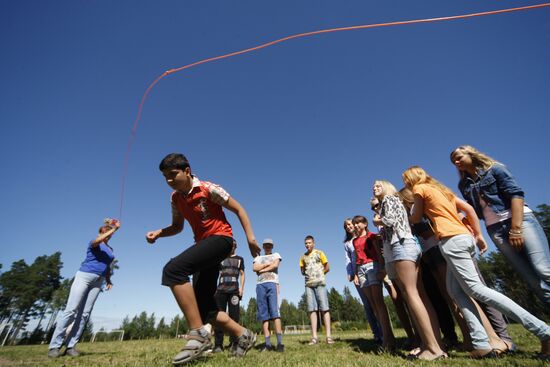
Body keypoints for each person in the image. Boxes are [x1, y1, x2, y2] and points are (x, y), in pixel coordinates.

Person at [402, 165, 550, 358]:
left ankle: (542, 330)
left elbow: (415, 217)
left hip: (451, 240)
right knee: (456, 291)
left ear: (412, 178)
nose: (405, 182)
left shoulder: (419, 189)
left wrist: (407, 214)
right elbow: (469, 209)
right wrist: (478, 235)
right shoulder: (442, 190)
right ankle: (481, 343)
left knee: (476, 289)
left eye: (405, 179)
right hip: (464, 237)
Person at [145, 153, 260, 365]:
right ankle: (244, 335)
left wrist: (251, 239)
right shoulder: (176, 199)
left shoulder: (208, 188)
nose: (169, 181)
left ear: (187, 170)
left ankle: (198, 334)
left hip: (222, 239)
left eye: (173, 175)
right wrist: (159, 233)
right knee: (203, 308)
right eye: (165, 177)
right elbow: (177, 227)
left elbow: (239, 209)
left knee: (173, 270)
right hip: (204, 246)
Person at [450, 145, 550, 307]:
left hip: (521, 221)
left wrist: (516, 229)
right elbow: (474, 209)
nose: (456, 161)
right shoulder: (464, 185)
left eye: (458, 157)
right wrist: (458, 217)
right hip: (495, 230)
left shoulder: (495, 169)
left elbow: (516, 195)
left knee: (543, 269)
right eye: (453, 161)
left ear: (471, 154)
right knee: (531, 279)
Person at [372, 180, 446, 360]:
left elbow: (389, 221)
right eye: (373, 187)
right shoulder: (390, 202)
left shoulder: (389, 199)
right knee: (419, 295)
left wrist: (377, 220)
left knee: (411, 294)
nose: (374, 188)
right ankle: (433, 344)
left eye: (378, 185)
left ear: (387, 187)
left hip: (401, 246)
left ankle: (433, 349)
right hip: (404, 246)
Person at [48, 219, 120, 358]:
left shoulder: (110, 249)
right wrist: (115, 229)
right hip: (84, 276)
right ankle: (54, 346)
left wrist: (108, 280)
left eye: (108, 230)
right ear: (100, 233)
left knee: (85, 314)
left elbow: (107, 266)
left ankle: (70, 346)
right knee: (71, 310)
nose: (108, 231)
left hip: (98, 281)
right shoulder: (94, 242)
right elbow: (99, 240)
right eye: (105, 230)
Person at [351, 216, 395, 352]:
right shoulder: (355, 241)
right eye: (354, 223)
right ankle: (385, 336)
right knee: (372, 304)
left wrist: (382, 268)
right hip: (361, 269)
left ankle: (388, 340)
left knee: (378, 302)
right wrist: (357, 274)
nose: (356, 225)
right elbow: (357, 258)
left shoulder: (372, 237)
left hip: (372, 267)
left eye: (358, 223)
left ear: (365, 224)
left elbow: (378, 253)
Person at [342, 218, 383, 344]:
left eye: (350, 224)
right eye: (346, 226)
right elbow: (348, 259)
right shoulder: (348, 243)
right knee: (367, 304)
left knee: (377, 301)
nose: (349, 227)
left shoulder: (366, 236)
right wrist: (351, 273)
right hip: (357, 274)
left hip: (370, 267)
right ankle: (376, 333)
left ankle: (384, 331)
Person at [300, 235, 334, 345]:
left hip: (320, 283)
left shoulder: (320, 253)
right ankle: (314, 337)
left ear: (313, 243)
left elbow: (327, 267)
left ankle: (328, 336)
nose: (307, 245)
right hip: (308, 285)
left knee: (324, 308)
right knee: (312, 310)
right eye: (306, 243)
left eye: (309, 243)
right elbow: (302, 270)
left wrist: (320, 275)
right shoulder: (303, 257)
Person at [212, 240, 245, 353]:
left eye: (233, 245)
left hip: (234, 292)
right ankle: (218, 345)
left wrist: (241, 288)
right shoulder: (220, 258)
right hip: (220, 291)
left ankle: (234, 344)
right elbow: (215, 273)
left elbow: (242, 274)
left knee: (234, 318)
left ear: (236, 246)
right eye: (229, 245)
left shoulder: (240, 259)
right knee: (218, 318)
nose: (231, 247)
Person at [253, 238, 284, 352]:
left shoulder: (276, 254)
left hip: (272, 284)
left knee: (275, 313)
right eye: (266, 245)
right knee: (264, 315)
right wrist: (266, 265)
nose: (267, 247)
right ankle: (267, 344)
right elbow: (254, 268)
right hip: (260, 285)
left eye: (269, 245)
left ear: (272, 246)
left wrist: (261, 269)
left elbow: (275, 265)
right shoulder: (258, 257)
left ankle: (280, 343)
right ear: (263, 246)